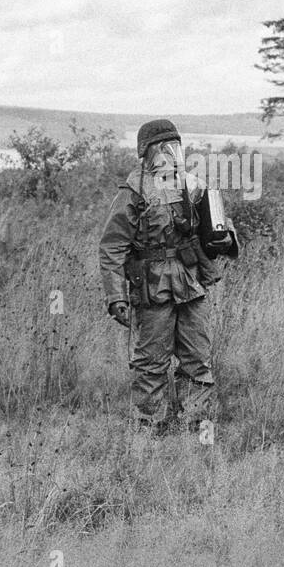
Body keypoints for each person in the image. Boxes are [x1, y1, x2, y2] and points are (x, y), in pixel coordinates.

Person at [98, 119, 238, 432]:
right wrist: (116, 296)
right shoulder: (133, 191)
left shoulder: (193, 185)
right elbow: (111, 248)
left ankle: (200, 432)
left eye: (173, 145)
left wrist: (225, 240)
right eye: (162, 147)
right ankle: (149, 431)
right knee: (151, 364)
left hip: (189, 284)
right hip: (152, 288)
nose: (169, 152)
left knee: (198, 360)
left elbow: (215, 235)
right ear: (146, 152)